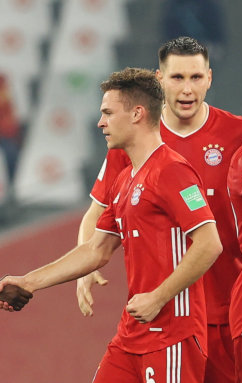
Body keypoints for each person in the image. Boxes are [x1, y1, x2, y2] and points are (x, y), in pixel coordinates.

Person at [0, 67, 222, 382]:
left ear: (137, 114)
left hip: (173, 333)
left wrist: (158, 296)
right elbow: (96, 249)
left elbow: (210, 243)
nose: (100, 122)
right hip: (132, 335)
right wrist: (29, 282)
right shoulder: (126, 178)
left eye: (107, 113)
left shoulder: (172, 171)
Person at [75, 36, 242, 383]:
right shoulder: (132, 140)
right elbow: (97, 212)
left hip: (228, 310)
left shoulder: (241, 135)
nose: (187, 89)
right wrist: (85, 265)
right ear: (159, 79)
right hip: (165, 315)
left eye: (196, 78)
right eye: (177, 78)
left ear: (210, 78)